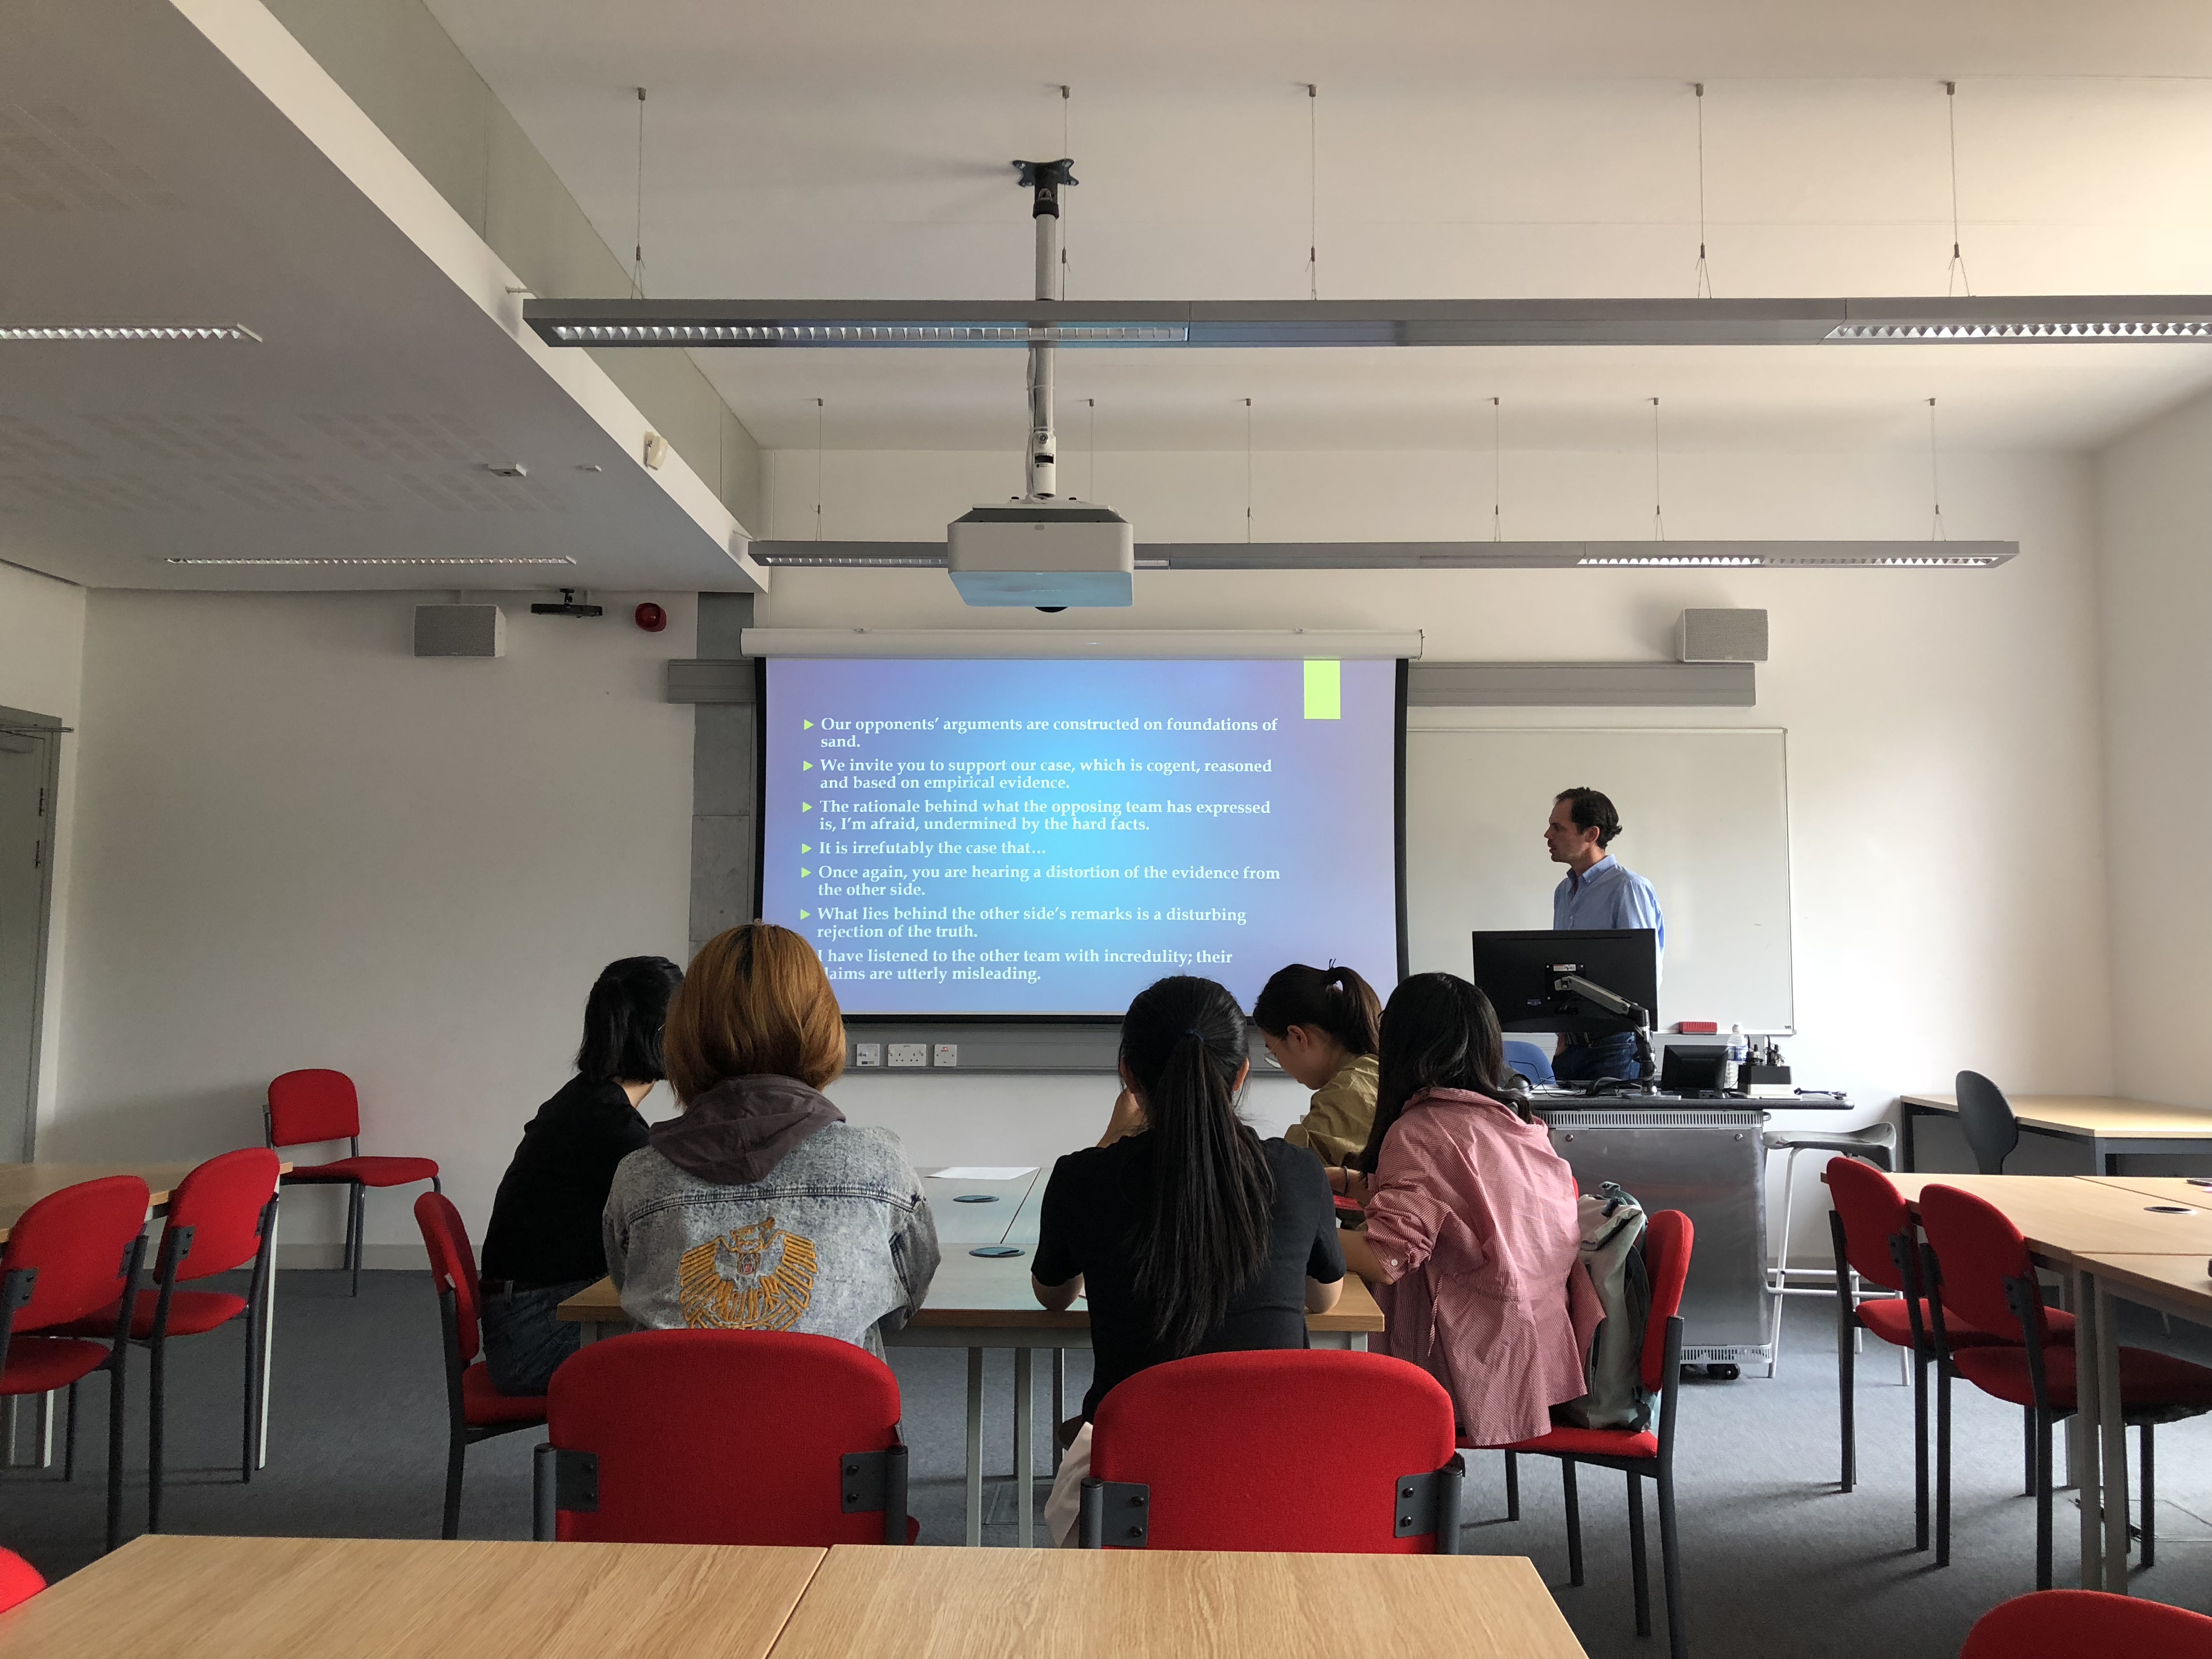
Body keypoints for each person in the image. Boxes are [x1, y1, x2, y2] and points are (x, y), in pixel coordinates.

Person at [1032, 975, 1346, 1547]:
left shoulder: (1083, 1178)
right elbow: (1323, 1299)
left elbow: (1053, 1294)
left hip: (1132, 1485)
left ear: (1129, 1076)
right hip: (1275, 1478)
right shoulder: (1298, 1172)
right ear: (1241, 1074)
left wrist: (1112, 1137)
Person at [601, 923, 939, 1353]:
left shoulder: (638, 1177)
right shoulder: (880, 1164)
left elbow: (630, 1289)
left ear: (686, 1031)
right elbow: (901, 1303)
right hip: (830, 1397)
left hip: (677, 1397)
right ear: (823, 1026)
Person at [1328, 972, 1585, 1447]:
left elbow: (1386, 1258)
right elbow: (1453, 1203)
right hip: (1534, 1356)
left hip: (1460, 1372)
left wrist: (1294, 1227)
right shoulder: (1515, 1123)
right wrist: (1345, 1181)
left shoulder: (1422, 1131)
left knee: (1308, 1370)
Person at [478, 955, 683, 1398]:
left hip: (527, 1316)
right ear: (663, 1035)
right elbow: (678, 1217)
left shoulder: (588, 1103)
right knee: (698, 1350)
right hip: (532, 1337)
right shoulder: (609, 1127)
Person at [1545, 786, 1665, 1084]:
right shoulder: (1564, 892)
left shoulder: (1627, 888)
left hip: (1615, 1047)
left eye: (1558, 828)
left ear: (1591, 834)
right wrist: (1563, 1033)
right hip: (1571, 1046)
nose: (1548, 835)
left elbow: (1642, 976)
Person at [1251, 962, 1383, 1165]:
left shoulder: (1346, 1093)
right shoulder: (1376, 1071)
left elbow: (1295, 1174)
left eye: (1274, 1053)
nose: (1281, 1064)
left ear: (1298, 1037)